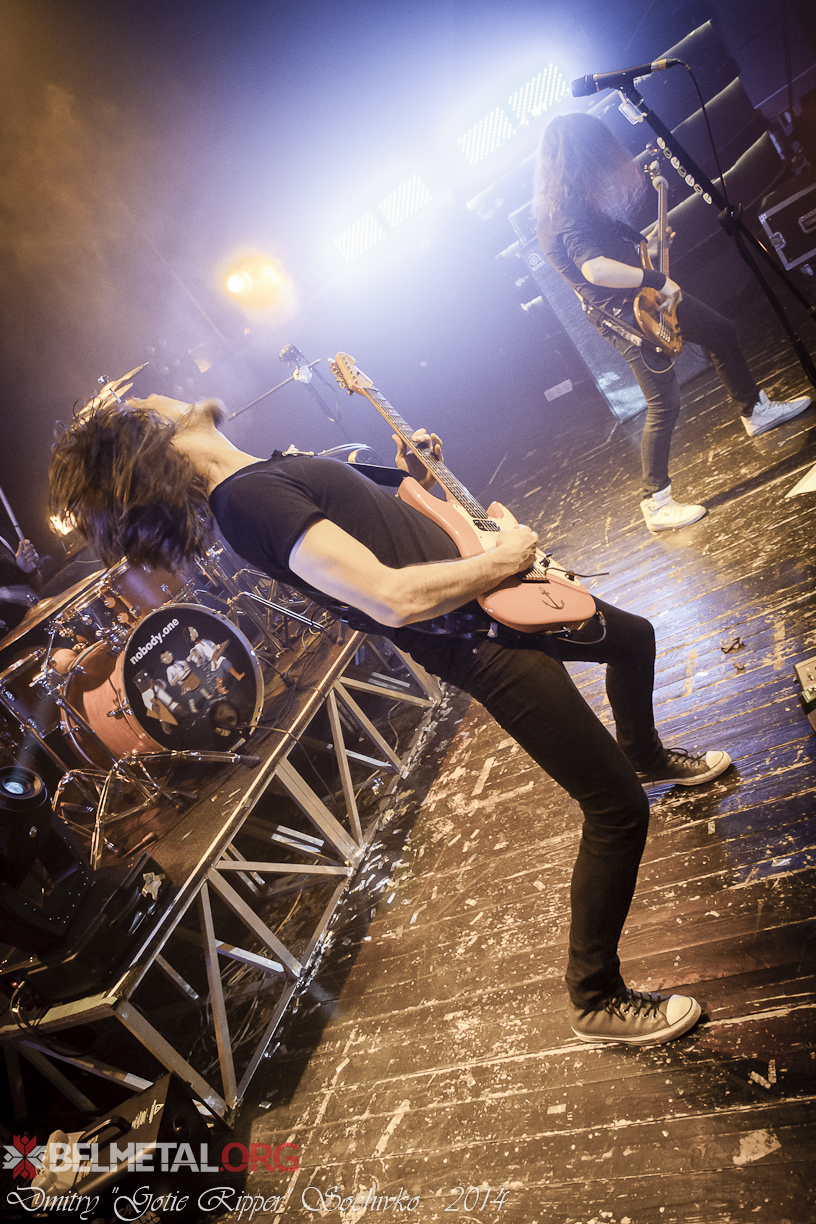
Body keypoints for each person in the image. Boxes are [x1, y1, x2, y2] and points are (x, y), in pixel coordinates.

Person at [49, 392, 733, 1046]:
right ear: (157, 436)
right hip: (480, 637)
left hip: (498, 595)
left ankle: (644, 753)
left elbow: (378, 533)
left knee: (634, 639)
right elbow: (390, 597)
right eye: (149, 404)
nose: (164, 394)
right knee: (616, 810)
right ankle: (595, 997)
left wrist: (413, 477)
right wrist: (504, 558)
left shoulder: (258, 475)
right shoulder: (247, 499)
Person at [535, 112, 813, 533]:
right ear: (581, 155)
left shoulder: (572, 203)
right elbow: (595, 270)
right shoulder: (565, 213)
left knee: (721, 332)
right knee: (664, 404)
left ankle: (754, 410)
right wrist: (658, 279)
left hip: (643, 299)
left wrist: (649, 249)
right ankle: (656, 501)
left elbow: (609, 256)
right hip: (630, 318)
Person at [0, 535, 41, 636]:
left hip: (39, 624)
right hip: (12, 642)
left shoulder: (3, 539)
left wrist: (29, 572)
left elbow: (36, 587)